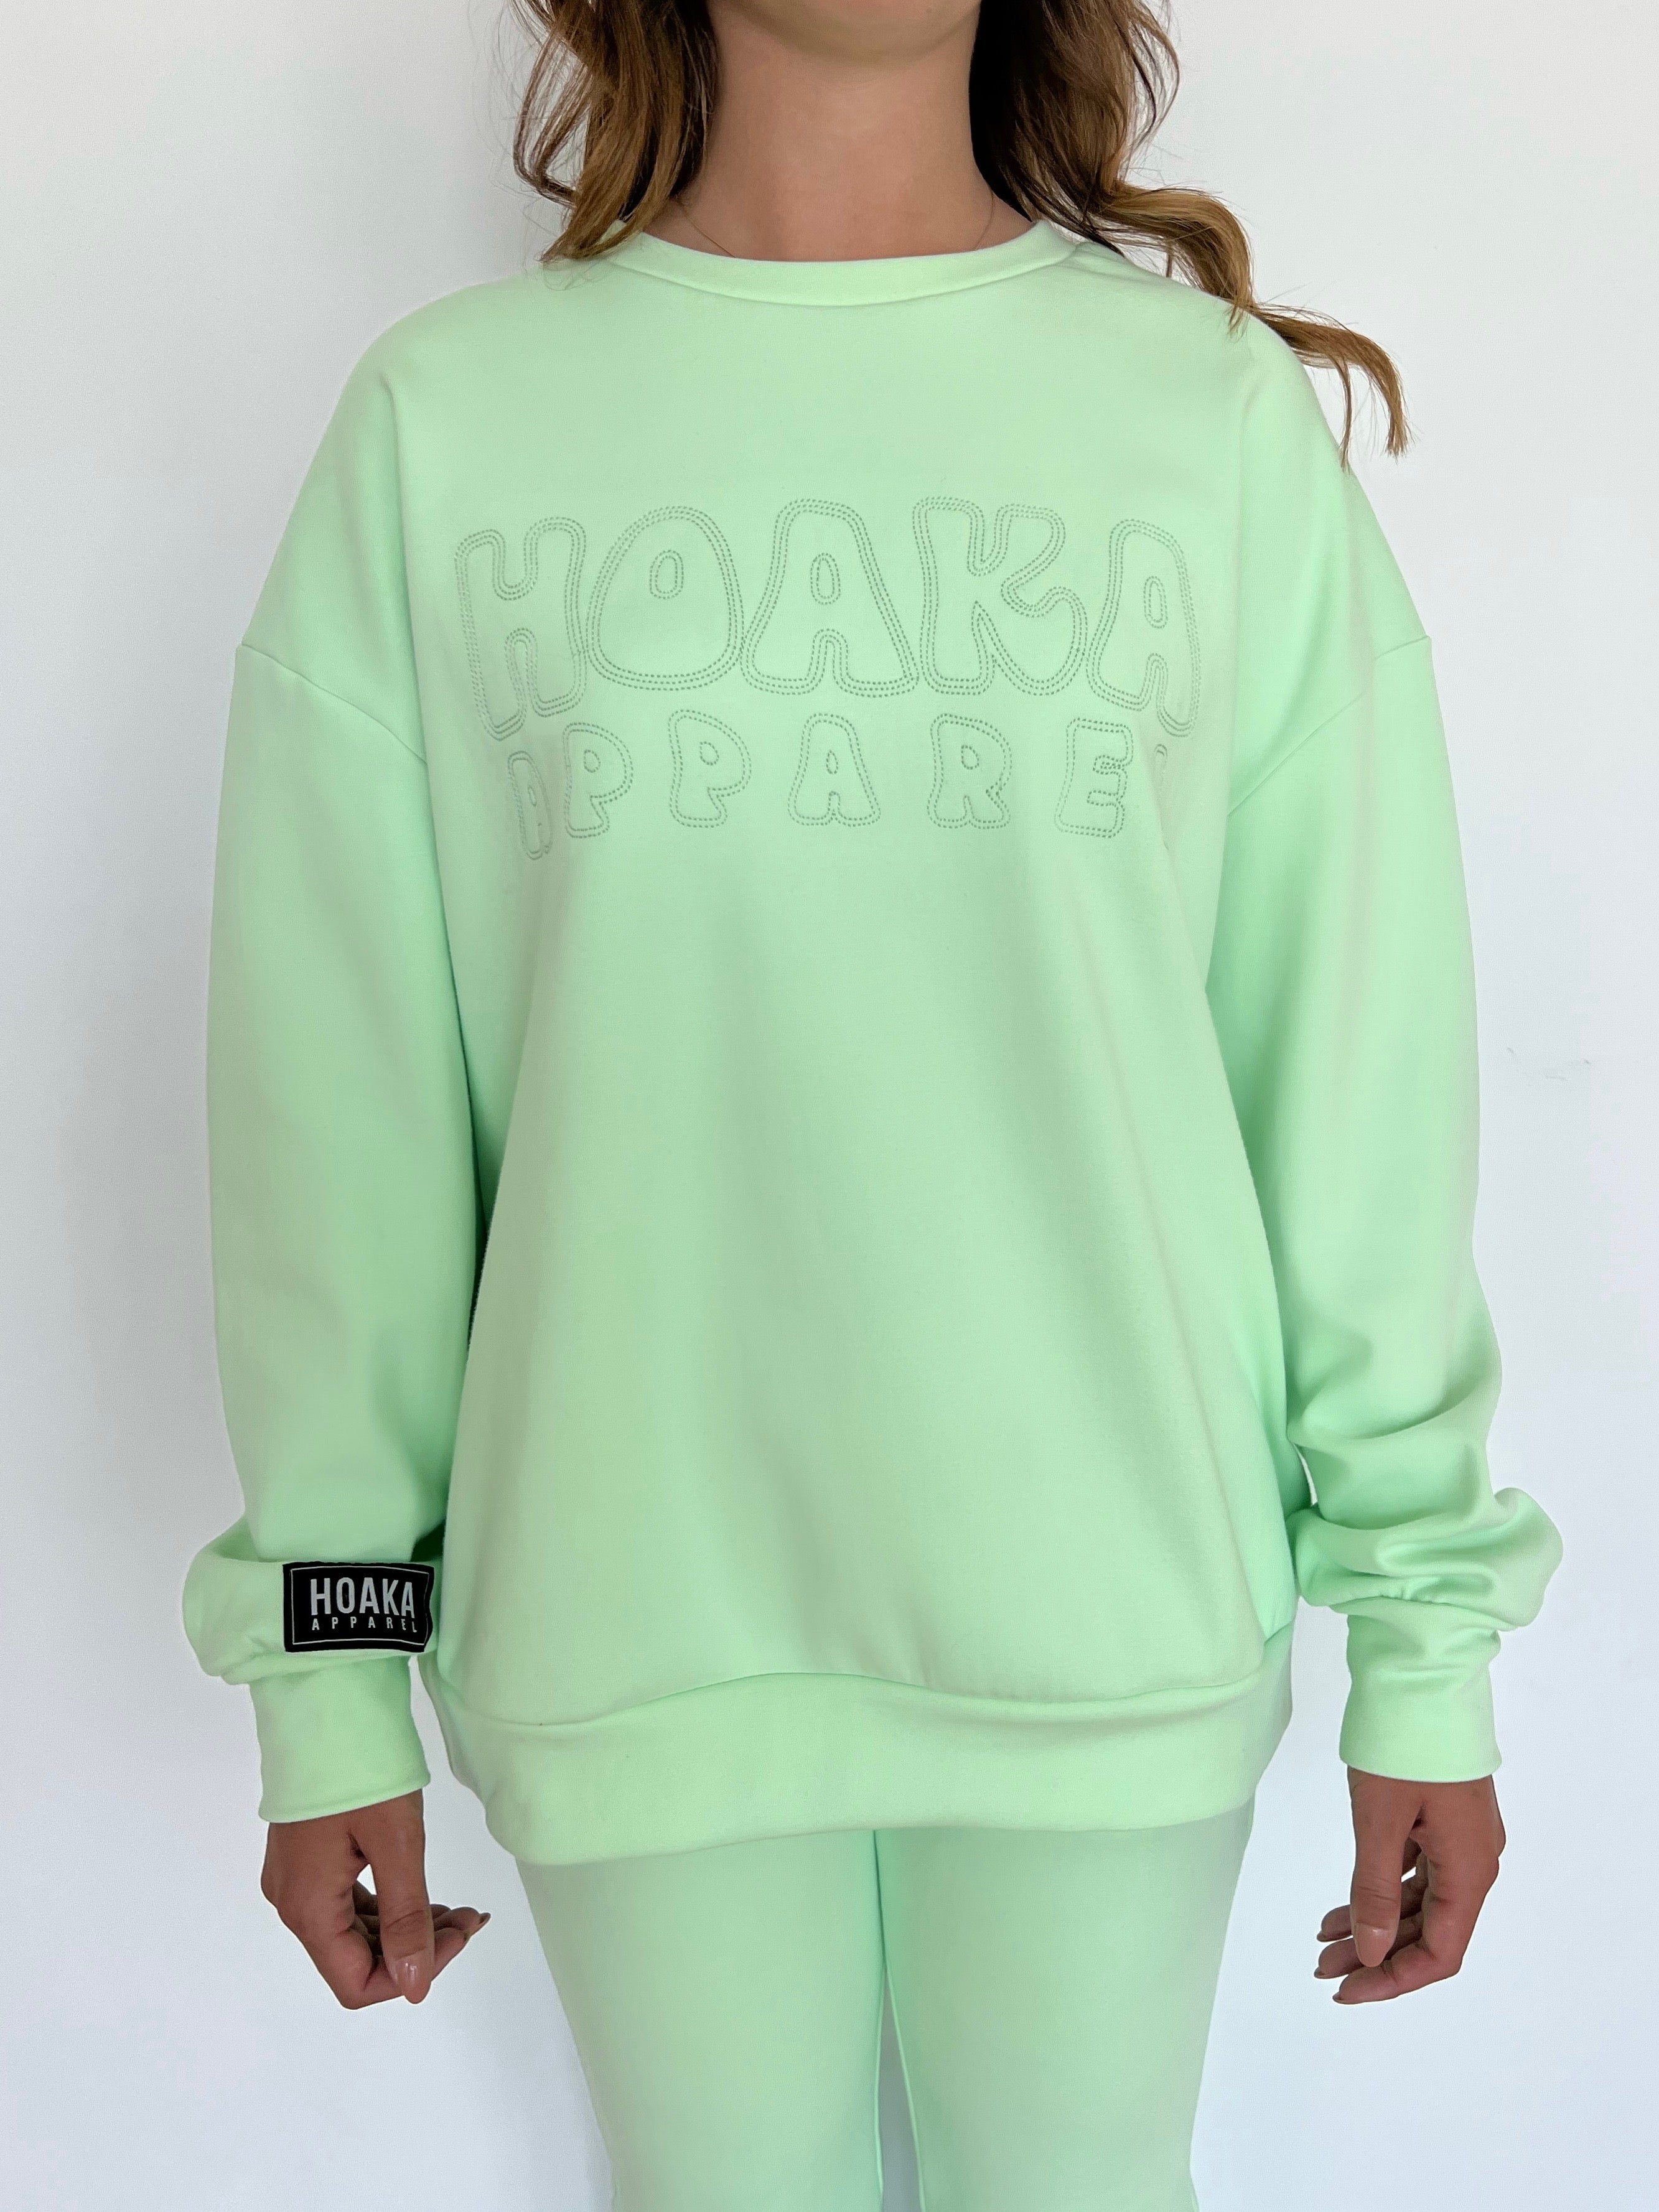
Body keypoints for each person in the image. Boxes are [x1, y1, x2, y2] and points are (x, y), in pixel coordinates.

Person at [182, 1, 1564, 2204]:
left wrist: (1426, 1642)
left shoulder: (1200, 419)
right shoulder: (447, 426)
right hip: (632, 1626)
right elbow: (336, 1108)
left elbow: (1351, 1071)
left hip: (1111, 1619)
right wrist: (327, 1673)